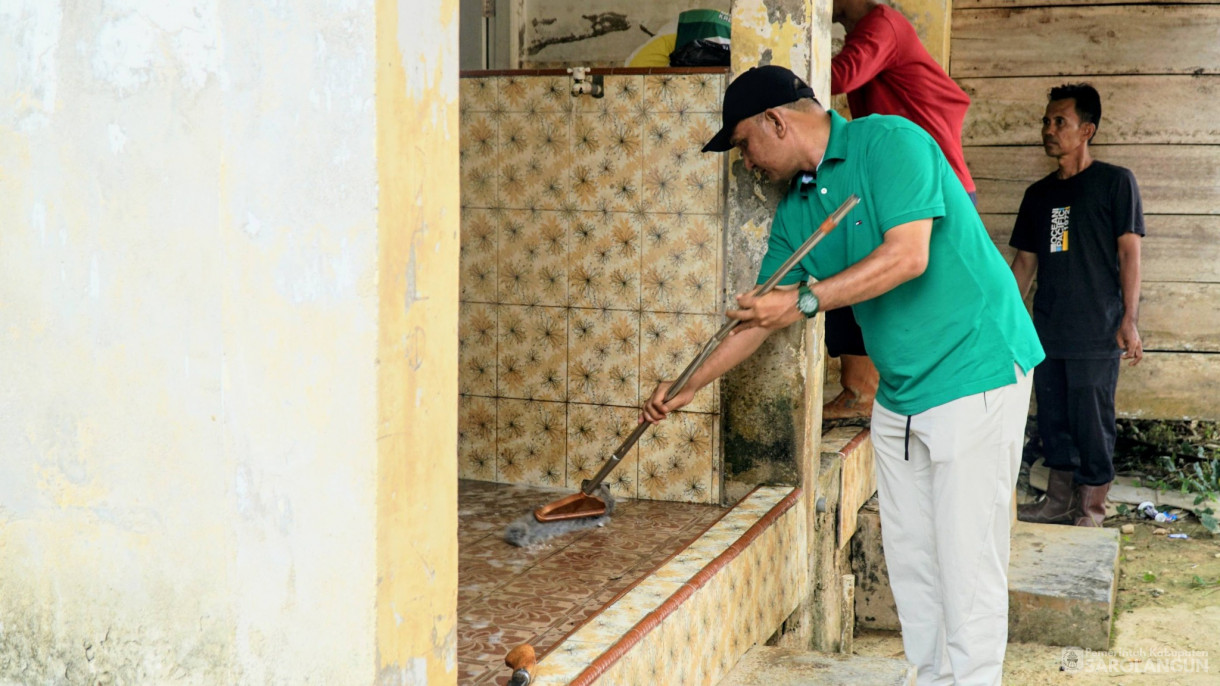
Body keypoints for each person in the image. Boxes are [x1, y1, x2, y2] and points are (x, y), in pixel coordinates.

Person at [641, 65, 1043, 686]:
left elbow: (908, 255)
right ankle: (932, 676)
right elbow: (759, 315)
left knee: (968, 561)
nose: (746, 162)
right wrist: (691, 382)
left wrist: (804, 301)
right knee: (913, 561)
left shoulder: (890, 143)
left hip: (977, 370)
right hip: (902, 392)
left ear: (777, 121)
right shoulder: (797, 210)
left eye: (745, 143)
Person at [822, 0, 979, 420]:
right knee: (848, 262)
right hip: (910, 186)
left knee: (859, 270)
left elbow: (839, 76)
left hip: (932, 190)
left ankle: (864, 390)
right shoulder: (872, 29)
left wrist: (779, 74)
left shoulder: (882, 24)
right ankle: (863, 389)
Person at [1012, 84, 1145, 528]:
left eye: (1060, 122)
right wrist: (1009, 323)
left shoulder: (1115, 182)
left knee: (1092, 419)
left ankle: (1091, 508)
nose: (1048, 130)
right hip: (1048, 330)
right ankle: (1058, 501)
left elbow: (1130, 253)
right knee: (1052, 416)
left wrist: (1129, 320)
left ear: (1086, 130)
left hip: (1097, 329)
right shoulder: (1040, 195)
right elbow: (1026, 263)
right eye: (1046, 122)